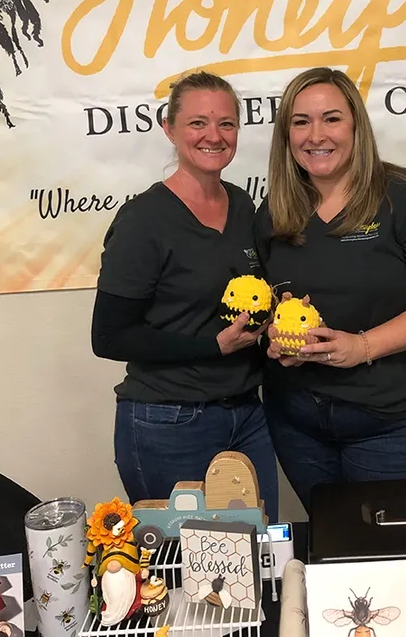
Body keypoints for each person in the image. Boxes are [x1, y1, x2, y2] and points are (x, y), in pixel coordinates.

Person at [254, 67, 406, 513]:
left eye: (331, 119)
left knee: (386, 549)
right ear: (286, 135)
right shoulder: (274, 210)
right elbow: (271, 304)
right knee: (330, 539)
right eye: (301, 122)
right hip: (297, 420)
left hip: (390, 421)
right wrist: (274, 338)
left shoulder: (404, 197)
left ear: (356, 126)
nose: (316, 135)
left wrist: (361, 347)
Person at [91, 71, 278, 523]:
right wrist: (211, 346)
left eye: (226, 123)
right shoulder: (143, 220)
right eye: (198, 123)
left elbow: (249, 300)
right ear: (169, 129)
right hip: (169, 422)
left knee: (259, 548)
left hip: (247, 413)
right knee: (184, 561)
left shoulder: (243, 206)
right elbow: (109, 337)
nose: (214, 136)